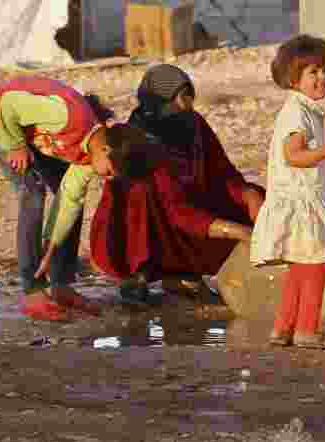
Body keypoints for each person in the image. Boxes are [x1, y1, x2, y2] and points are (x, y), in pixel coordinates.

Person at [89, 65, 265, 305]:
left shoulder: (192, 123)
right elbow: (178, 212)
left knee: (254, 197)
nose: (188, 105)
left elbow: (222, 170)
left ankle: (184, 275)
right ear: (161, 100)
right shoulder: (137, 141)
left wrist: (247, 195)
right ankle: (141, 274)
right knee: (142, 199)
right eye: (182, 98)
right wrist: (238, 231)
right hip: (155, 221)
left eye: (189, 97)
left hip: (187, 206)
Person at [250, 35, 325, 350]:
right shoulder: (297, 113)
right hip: (297, 202)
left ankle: (283, 328)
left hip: (301, 199)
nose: (322, 77)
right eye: (312, 72)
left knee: (300, 266)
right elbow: (293, 155)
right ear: (293, 78)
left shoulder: (306, 110)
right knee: (315, 264)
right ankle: (306, 330)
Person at [0, 76, 118, 321]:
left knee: (70, 197)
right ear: (106, 150)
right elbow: (9, 103)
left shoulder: (90, 156)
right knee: (32, 193)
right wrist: (15, 145)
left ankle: (61, 285)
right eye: (111, 170)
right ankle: (33, 292)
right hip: (3, 120)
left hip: (38, 134)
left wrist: (51, 246)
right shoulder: (68, 116)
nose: (108, 177)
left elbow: (68, 201)